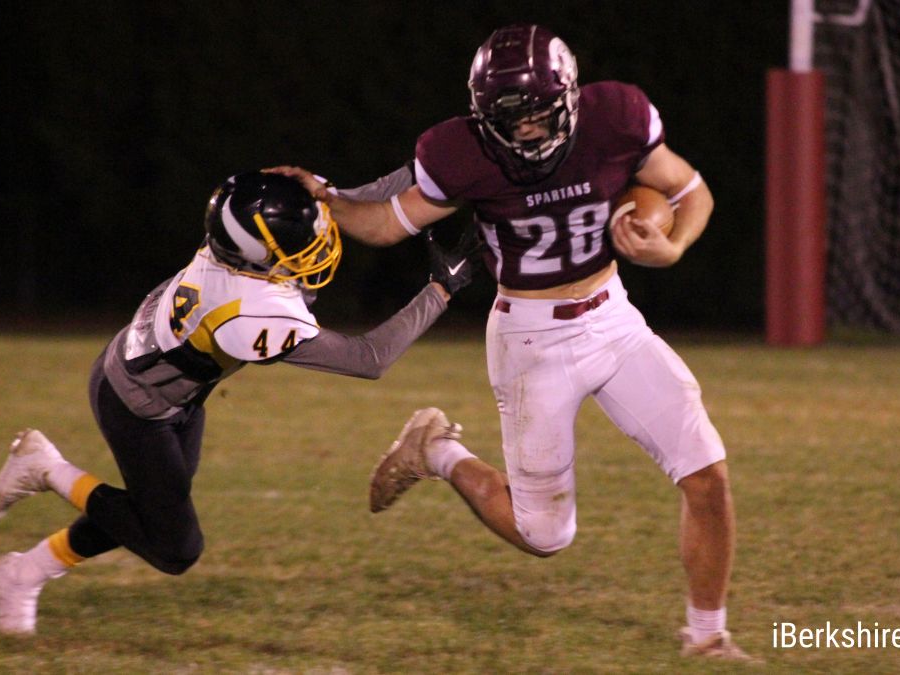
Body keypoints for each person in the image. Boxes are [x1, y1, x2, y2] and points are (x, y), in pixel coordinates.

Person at [270, 24, 752, 660]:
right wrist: (325, 198)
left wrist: (674, 244)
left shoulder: (617, 117)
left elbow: (688, 189)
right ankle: (437, 450)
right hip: (531, 339)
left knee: (707, 474)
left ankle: (707, 638)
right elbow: (388, 224)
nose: (525, 131)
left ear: (570, 98)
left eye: (537, 115)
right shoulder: (460, 151)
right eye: (508, 119)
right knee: (544, 535)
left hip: (615, 321)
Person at [0, 171, 475, 635]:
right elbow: (369, 358)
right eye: (294, 246)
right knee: (175, 547)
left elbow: (326, 201)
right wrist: (441, 289)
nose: (314, 246)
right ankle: (44, 468)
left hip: (165, 388)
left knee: (147, 515)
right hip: (137, 404)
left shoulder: (234, 233)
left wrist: (426, 173)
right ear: (255, 255)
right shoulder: (245, 311)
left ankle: (22, 574)